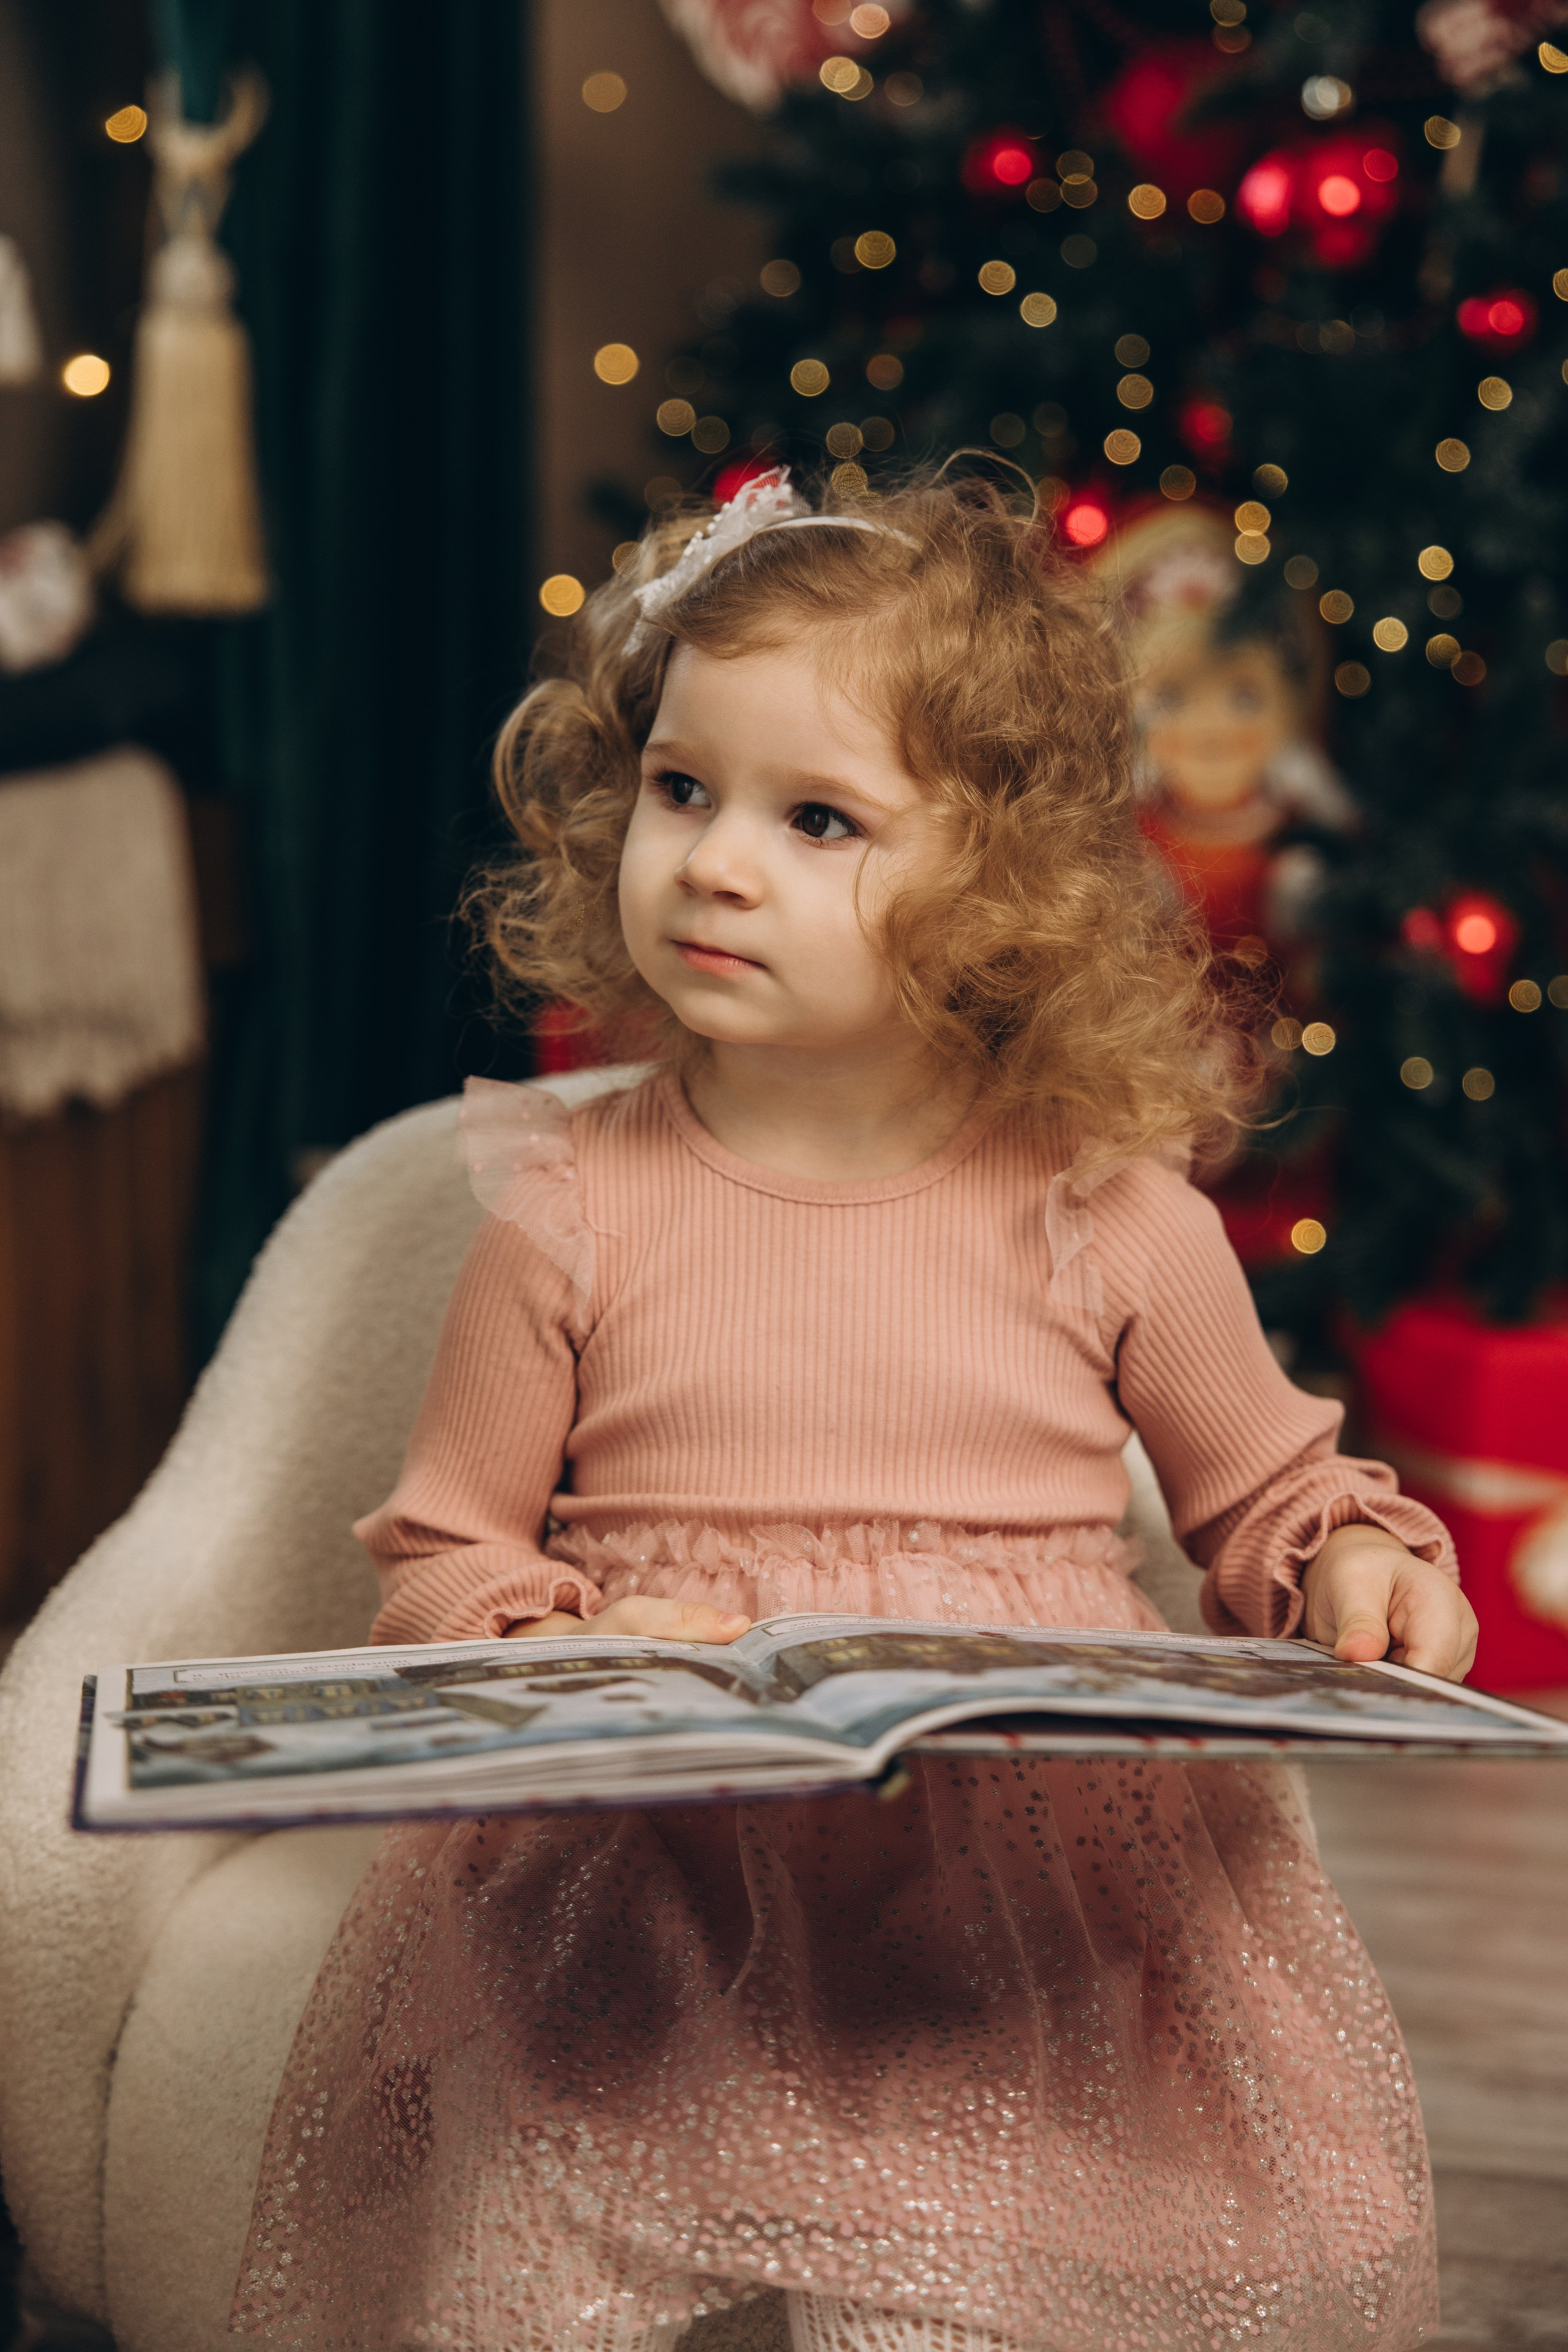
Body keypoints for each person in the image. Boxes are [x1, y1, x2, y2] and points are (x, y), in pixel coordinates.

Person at [233, 469, 1474, 2352]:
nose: (717, 862)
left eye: (819, 818)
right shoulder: (568, 1207)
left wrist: (1363, 1564)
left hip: (1022, 1894)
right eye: (680, 788)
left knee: (960, 2295)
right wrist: (569, 1646)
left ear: (998, 885)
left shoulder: (1106, 1204)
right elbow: (444, 1559)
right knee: (534, 2294)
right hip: (656, 1881)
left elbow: (1274, 1499)